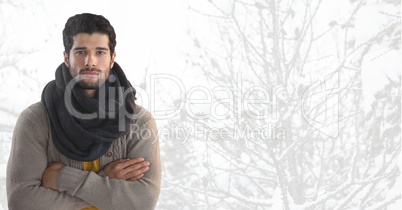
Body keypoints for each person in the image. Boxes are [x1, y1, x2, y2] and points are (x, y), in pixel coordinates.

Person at [6, 13, 161, 210]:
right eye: (80, 52)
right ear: (66, 57)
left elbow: (142, 202)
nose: (90, 61)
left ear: (112, 58)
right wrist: (107, 180)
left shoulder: (139, 122)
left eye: (100, 52)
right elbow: (22, 201)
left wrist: (63, 178)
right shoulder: (36, 120)